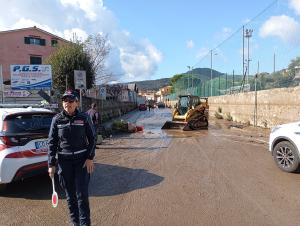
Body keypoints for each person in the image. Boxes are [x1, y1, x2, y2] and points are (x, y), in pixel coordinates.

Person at [48, 90, 96, 226]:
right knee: (70, 197)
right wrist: (51, 164)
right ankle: (75, 223)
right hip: (64, 163)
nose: (67, 103)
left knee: (82, 196)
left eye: (70, 100)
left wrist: (90, 157)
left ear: (76, 102)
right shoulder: (57, 119)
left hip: (82, 162)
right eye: (64, 100)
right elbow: (52, 142)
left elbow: (92, 139)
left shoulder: (84, 118)